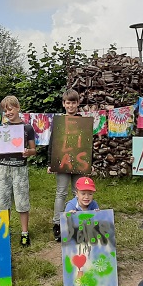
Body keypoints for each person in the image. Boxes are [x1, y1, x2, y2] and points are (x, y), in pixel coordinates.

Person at [0, 96, 36, 247]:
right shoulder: (2, 128)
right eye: (5, 110)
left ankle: (24, 233)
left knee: (22, 201)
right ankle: (4, 233)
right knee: (2, 202)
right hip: (4, 168)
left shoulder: (27, 128)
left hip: (20, 169)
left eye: (10, 109)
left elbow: (33, 150)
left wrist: (27, 152)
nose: (8, 112)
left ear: (18, 107)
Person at [50, 89, 84, 240]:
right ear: (64, 104)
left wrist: (90, 163)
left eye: (73, 102)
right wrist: (51, 162)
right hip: (62, 162)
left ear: (78, 103)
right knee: (61, 192)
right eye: (68, 102)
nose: (71, 106)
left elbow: (87, 144)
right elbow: (53, 143)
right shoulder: (59, 122)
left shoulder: (83, 121)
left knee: (78, 192)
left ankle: (77, 221)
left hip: (79, 162)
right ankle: (57, 224)